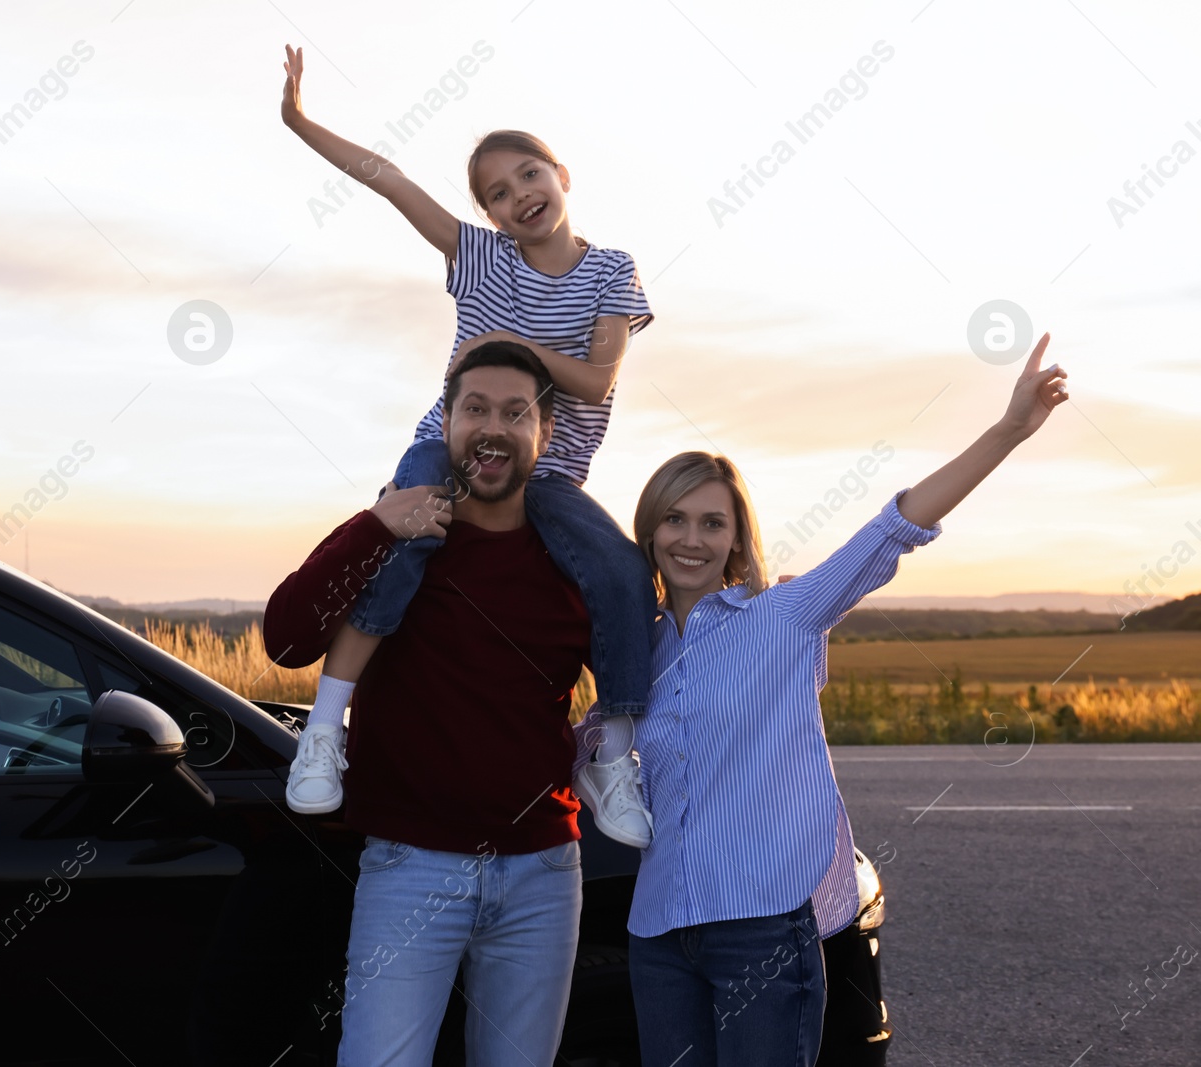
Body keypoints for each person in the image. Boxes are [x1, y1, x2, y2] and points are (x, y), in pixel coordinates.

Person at [572, 336, 1069, 1065]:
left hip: (762, 933)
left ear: (738, 536)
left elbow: (892, 529)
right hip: (658, 932)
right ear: (649, 530)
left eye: (713, 522)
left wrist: (1008, 430)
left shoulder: (785, 617)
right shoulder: (635, 650)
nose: (691, 538)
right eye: (675, 519)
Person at [278, 44, 658, 846]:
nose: (518, 195)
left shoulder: (612, 271)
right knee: (400, 546)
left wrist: (506, 342)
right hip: (448, 449)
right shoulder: (478, 257)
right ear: (486, 216)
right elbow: (388, 178)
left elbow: (595, 383)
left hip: (546, 469)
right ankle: (324, 730)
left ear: (561, 174)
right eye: (496, 193)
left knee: (623, 570)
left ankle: (613, 753)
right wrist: (300, 121)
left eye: (528, 174)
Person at [264, 343, 595, 1066]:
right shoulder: (397, 532)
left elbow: (653, 668)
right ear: (445, 422)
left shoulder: (572, 559)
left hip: (542, 872)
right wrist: (378, 525)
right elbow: (287, 640)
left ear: (544, 433)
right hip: (411, 867)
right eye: (475, 408)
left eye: (516, 413)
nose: (493, 428)